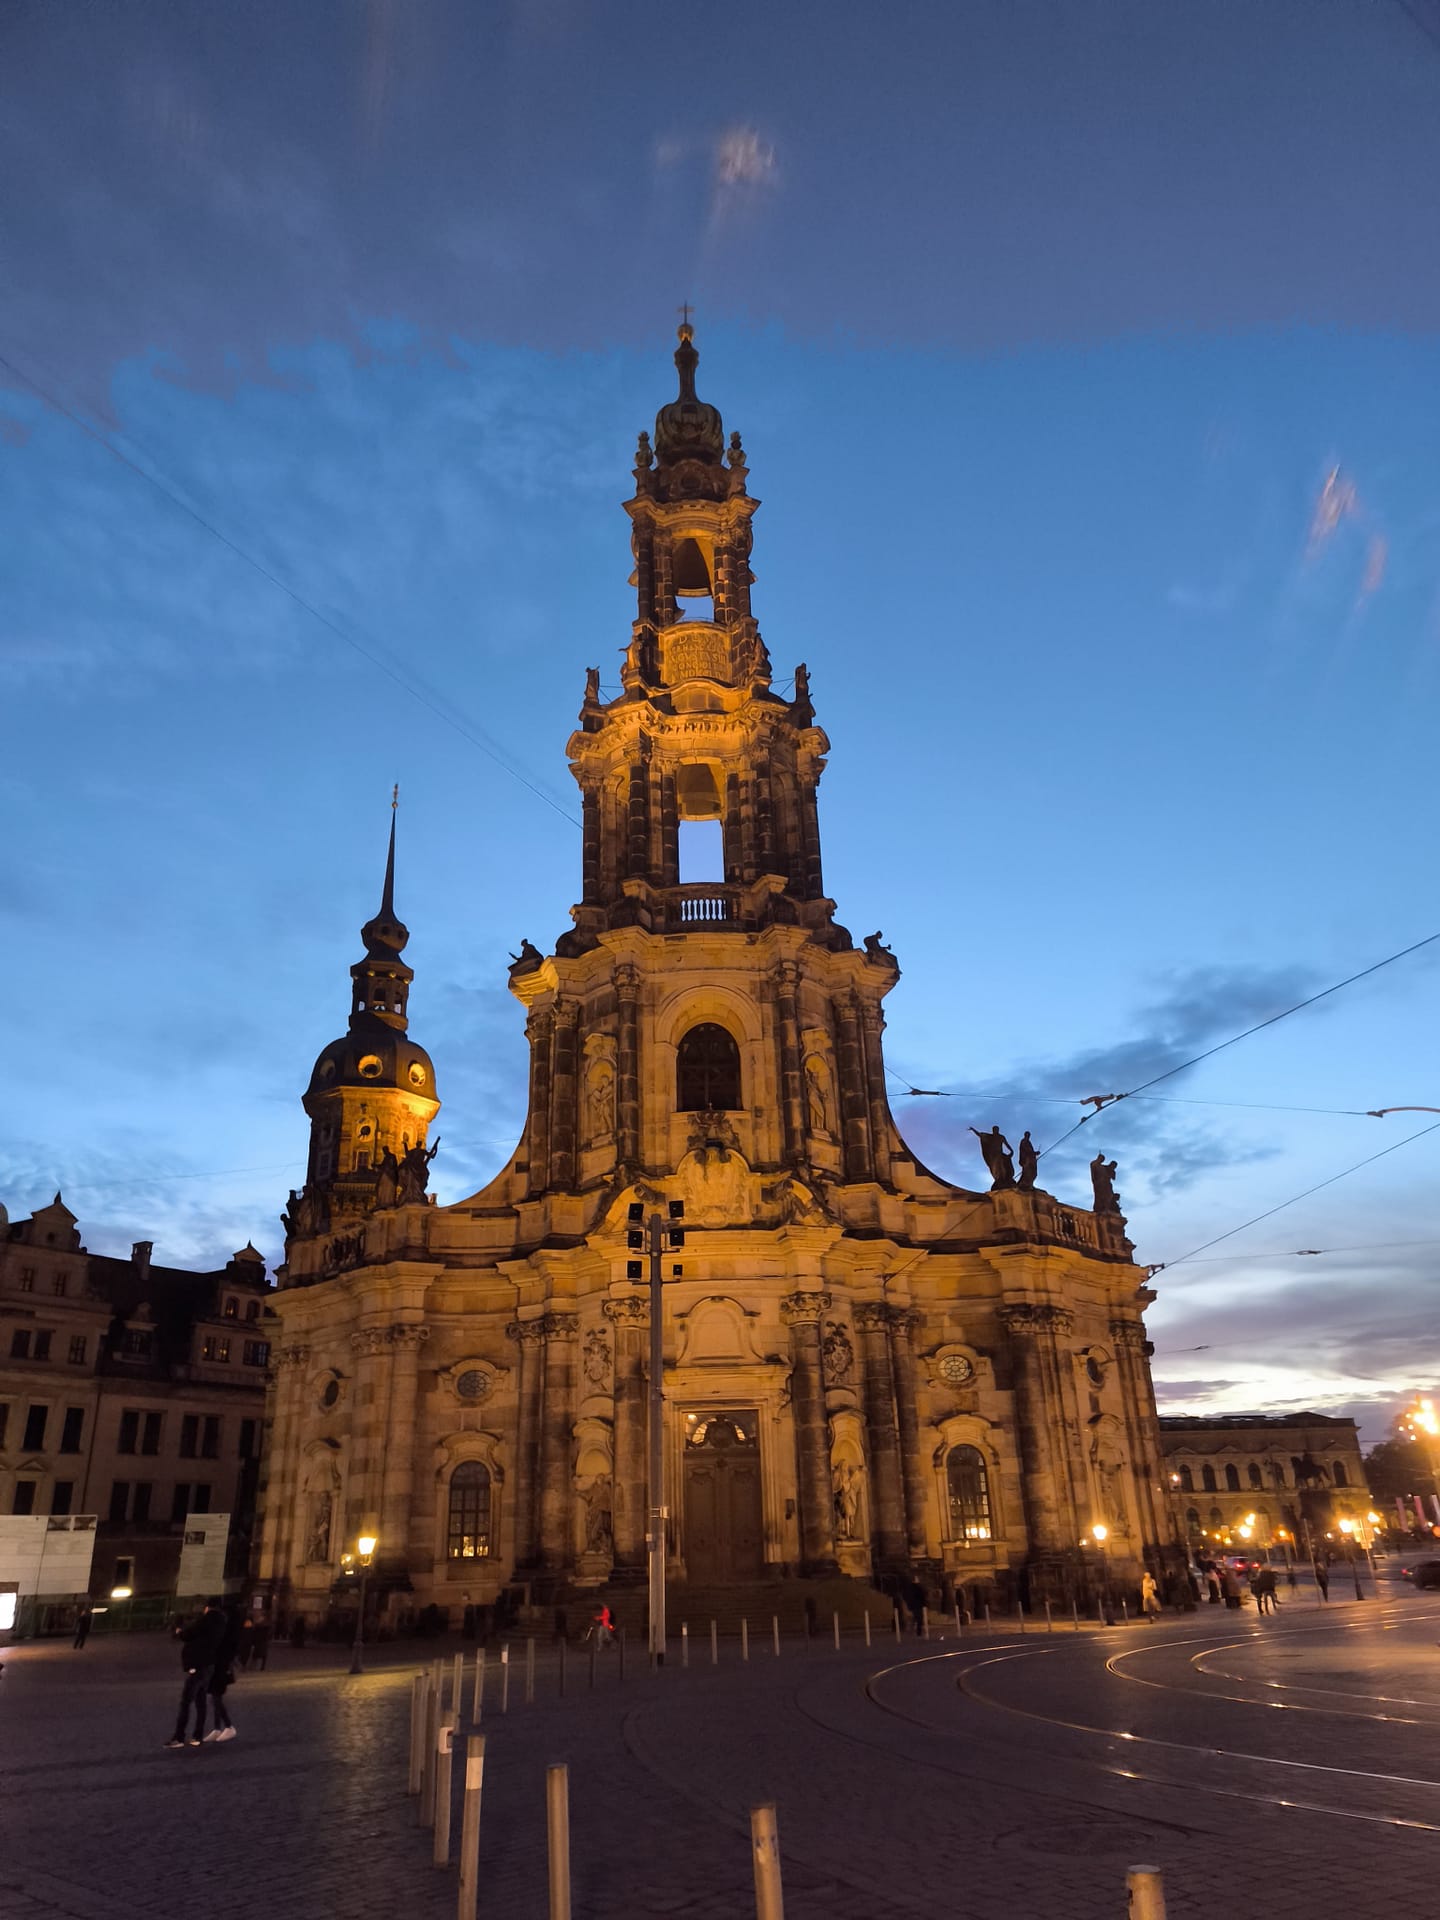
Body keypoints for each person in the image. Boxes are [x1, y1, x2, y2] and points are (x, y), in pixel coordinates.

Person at [165, 1598, 226, 1748]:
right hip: (209, 1664)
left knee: (186, 1702)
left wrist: (180, 1632)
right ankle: (197, 1736)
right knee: (201, 1701)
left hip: (197, 1664)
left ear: (207, 1608)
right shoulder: (222, 1622)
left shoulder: (205, 1620)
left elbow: (188, 1635)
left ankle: (179, 1737)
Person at [205, 1603, 245, 1742]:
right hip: (217, 1666)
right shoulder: (226, 1631)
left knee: (216, 1697)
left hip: (220, 1668)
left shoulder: (228, 1633)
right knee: (214, 1697)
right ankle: (217, 1729)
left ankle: (228, 1726)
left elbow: (227, 1651)